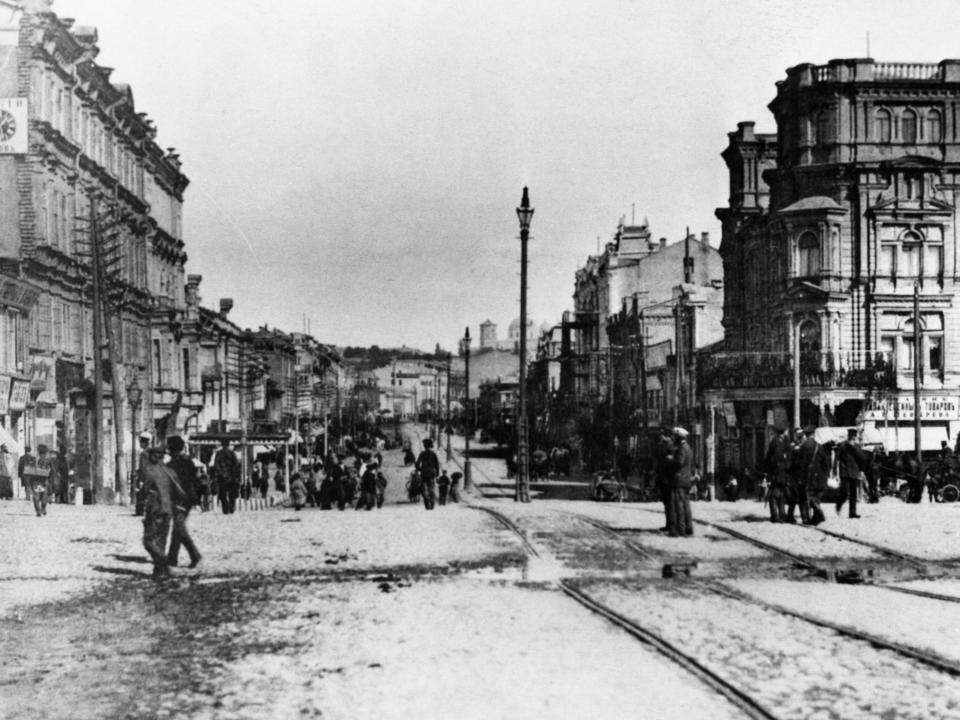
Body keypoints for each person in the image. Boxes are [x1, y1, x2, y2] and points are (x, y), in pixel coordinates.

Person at [141, 443, 178, 579]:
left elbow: (144, 490)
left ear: (155, 456)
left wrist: (142, 496)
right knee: (162, 540)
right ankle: (159, 571)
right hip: (168, 509)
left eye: (151, 454)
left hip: (155, 508)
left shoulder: (150, 471)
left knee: (148, 540)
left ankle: (162, 563)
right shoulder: (170, 471)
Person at [165, 436, 201, 569]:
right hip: (186, 499)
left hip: (181, 499)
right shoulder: (188, 462)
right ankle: (172, 558)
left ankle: (194, 554)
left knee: (179, 528)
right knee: (177, 528)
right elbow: (195, 481)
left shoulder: (172, 465)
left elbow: (191, 482)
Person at [666, 427, 694, 536]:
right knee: (686, 504)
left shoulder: (682, 448)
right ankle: (688, 527)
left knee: (679, 505)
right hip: (686, 479)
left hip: (679, 480)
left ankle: (680, 530)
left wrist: (670, 459)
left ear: (678, 437)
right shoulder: (688, 447)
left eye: (675, 437)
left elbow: (679, 463)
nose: (673, 439)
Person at [835, 428, 867, 519]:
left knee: (853, 493)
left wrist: (861, 471)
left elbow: (861, 459)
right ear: (849, 436)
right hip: (844, 472)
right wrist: (835, 471)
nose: (852, 438)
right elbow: (837, 459)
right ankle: (839, 504)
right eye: (851, 436)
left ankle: (852, 513)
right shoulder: (842, 445)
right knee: (844, 492)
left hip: (854, 471)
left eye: (853, 437)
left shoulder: (857, 447)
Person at [763, 427, 791, 523]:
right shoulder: (781, 443)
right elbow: (784, 459)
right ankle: (779, 515)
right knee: (778, 496)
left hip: (776, 474)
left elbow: (768, 459)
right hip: (780, 474)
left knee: (776, 495)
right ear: (783, 433)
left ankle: (777, 515)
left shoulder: (775, 442)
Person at [786, 427, 811, 524]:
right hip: (795, 476)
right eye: (799, 436)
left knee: (802, 497)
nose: (801, 438)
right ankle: (793, 516)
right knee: (797, 497)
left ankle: (804, 516)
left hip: (801, 475)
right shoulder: (794, 447)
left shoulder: (803, 447)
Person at [654, 426, 675, 532]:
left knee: (670, 502)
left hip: (668, 478)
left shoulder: (671, 447)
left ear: (668, 436)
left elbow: (670, 463)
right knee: (666, 502)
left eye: (663, 436)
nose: (661, 437)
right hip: (663, 478)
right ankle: (668, 524)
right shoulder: (662, 446)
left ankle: (671, 524)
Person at [213, 438, 240, 514]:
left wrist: (221, 473)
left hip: (222, 477)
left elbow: (216, 465)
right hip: (231, 477)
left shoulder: (218, 453)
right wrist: (234, 475)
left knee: (223, 494)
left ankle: (225, 509)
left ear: (222, 445)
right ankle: (231, 508)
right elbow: (236, 465)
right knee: (232, 494)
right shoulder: (232, 453)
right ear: (228, 445)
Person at [415, 438, 440, 510]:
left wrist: (419, 469)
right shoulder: (433, 454)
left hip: (424, 473)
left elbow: (417, 463)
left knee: (423, 488)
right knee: (432, 488)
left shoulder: (422, 454)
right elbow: (437, 465)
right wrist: (437, 473)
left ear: (425, 446)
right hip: (432, 473)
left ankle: (426, 500)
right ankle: (432, 502)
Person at [134, 431, 152, 516]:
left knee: (141, 494)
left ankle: (140, 511)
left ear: (145, 442)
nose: (140, 443)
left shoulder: (144, 454)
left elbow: (143, 468)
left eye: (141, 441)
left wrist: (141, 480)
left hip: (146, 477)